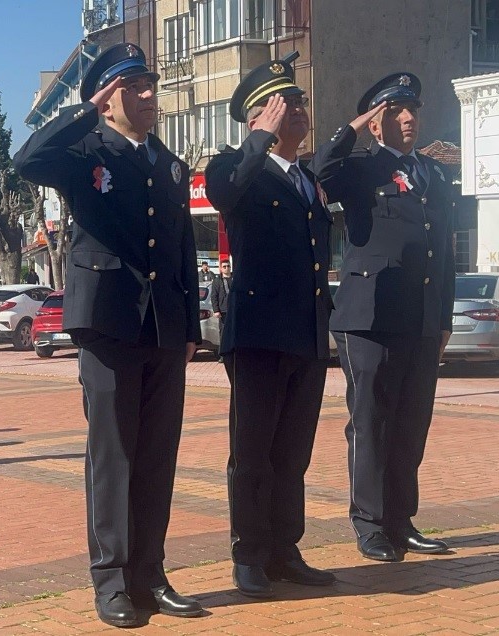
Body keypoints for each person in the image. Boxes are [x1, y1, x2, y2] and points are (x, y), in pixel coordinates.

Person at [13, 42, 204, 627]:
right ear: (110, 96)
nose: (149, 95)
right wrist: (82, 111)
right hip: (108, 321)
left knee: (157, 456)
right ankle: (113, 580)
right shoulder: (84, 151)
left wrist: (191, 325)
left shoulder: (168, 164)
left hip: (163, 328)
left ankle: (151, 572)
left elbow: (182, 251)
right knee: (114, 455)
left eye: (151, 84)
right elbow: (25, 162)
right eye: (136, 86)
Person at [204, 56, 336, 598]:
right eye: (287, 103)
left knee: (293, 453)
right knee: (253, 452)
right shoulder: (236, 167)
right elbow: (224, 196)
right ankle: (249, 555)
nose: (299, 110)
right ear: (259, 115)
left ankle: (285, 548)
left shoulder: (305, 178)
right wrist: (257, 139)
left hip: (305, 333)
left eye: (301, 100)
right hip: (258, 335)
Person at [311, 72, 456, 562]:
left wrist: (443, 319)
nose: (410, 117)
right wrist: (353, 127)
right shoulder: (359, 169)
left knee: (412, 421)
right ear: (376, 123)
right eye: (396, 110)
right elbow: (322, 170)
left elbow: (444, 252)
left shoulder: (434, 175)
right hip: (368, 317)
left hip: (419, 318)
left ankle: (401, 519)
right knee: (371, 421)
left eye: (413, 108)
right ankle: (370, 523)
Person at [210, 260, 231, 325]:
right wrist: (216, 310)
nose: (227, 268)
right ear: (221, 268)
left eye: (228, 266)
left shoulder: (235, 279)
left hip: (235, 308)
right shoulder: (217, 281)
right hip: (223, 310)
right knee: (223, 331)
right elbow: (214, 296)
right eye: (224, 266)